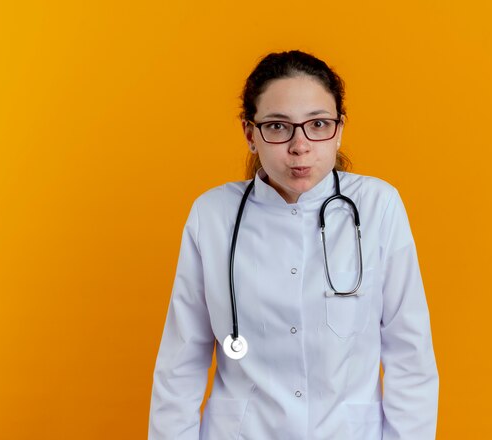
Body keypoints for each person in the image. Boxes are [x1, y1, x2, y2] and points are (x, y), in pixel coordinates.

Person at [148, 50, 439, 440]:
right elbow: (180, 363)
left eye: (318, 124)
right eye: (279, 126)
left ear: (339, 130)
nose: (300, 146)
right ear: (250, 134)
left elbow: (410, 356)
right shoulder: (212, 214)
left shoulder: (378, 206)